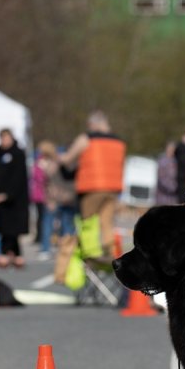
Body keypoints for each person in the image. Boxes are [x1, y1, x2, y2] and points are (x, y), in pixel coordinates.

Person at [60, 110, 126, 260]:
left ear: (92, 124)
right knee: (107, 223)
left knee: (88, 223)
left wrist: (59, 158)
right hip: (113, 188)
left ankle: (91, 257)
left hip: (92, 187)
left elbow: (68, 159)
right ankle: (111, 257)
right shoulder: (119, 142)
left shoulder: (86, 139)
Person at [0, 128, 29, 268]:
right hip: (1, 200)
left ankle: (12, 254)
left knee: (12, 229)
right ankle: (10, 253)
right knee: (5, 229)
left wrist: (8, 194)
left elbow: (18, 178)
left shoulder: (17, 154)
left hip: (14, 199)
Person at [155, 141, 180, 205]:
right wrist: (174, 188)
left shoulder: (176, 160)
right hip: (163, 197)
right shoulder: (162, 161)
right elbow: (162, 178)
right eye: (171, 149)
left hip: (173, 198)